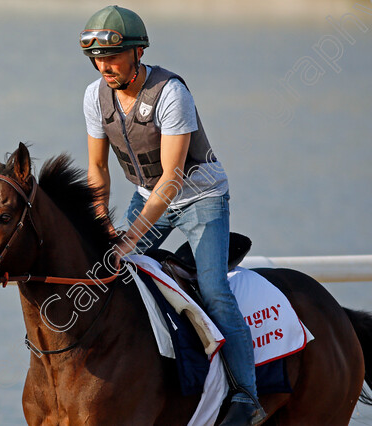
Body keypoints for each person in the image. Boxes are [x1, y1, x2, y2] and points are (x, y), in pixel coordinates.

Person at [80, 6, 267, 425]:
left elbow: (172, 179)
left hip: (200, 198)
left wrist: (130, 239)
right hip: (148, 196)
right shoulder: (95, 96)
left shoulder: (171, 93)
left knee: (215, 292)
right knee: (104, 271)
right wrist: (101, 225)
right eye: (97, 58)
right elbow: (96, 170)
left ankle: (246, 398)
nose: (104, 66)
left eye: (113, 56)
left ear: (139, 52)